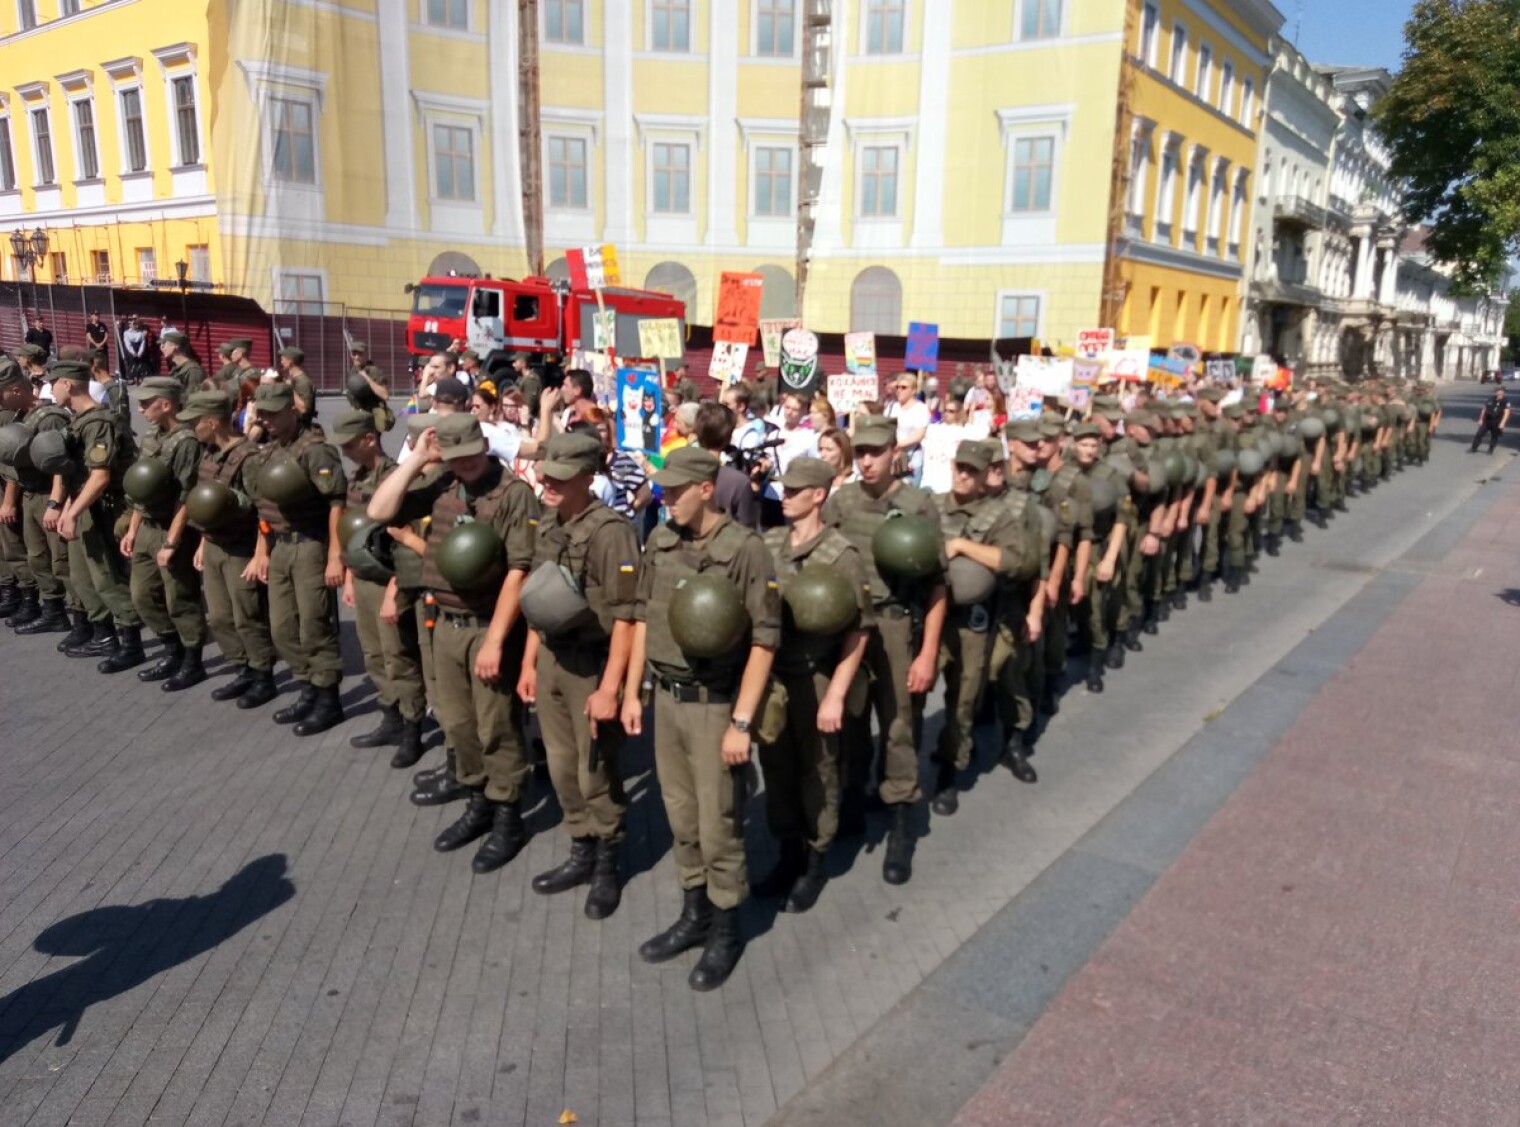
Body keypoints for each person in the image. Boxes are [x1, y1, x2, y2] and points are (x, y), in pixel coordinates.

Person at [622, 445, 779, 991]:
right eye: (662, 490)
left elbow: (764, 639)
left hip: (715, 706)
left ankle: (727, 928)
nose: (664, 499)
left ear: (706, 490)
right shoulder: (661, 540)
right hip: (666, 698)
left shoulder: (744, 550)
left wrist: (741, 722)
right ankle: (695, 914)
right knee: (681, 817)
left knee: (720, 826)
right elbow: (643, 616)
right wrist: (631, 690)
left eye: (675, 491)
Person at [368, 414, 541, 873]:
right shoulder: (442, 483)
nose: (464, 464)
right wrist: (417, 462)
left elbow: (519, 572)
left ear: (484, 446)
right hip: (444, 623)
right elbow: (380, 512)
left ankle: (508, 816)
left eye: (470, 454)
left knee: (496, 725)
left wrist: (496, 641)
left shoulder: (513, 494)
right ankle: (477, 801)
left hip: (487, 626)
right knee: (459, 724)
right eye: (454, 455)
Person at [518, 431, 641, 918]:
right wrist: (529, 662)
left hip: (592, 664)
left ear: (588, 478)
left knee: (595, 768)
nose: (547, 481)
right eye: (546, 472)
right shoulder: (548, 521)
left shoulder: (612, 532)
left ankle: (608, 861)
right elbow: (538, 601)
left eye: (560, 476)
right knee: (561, 765)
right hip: (551, 657)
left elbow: (629, 616)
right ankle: (580, 848)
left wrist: (610, 689)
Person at [822, 414, 947, 885]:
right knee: (850, 723)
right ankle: (852, 807)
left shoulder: (919, 505)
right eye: (862, 452)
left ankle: (900, 821)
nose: (867, 461)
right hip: (849, 626)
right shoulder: (842, 502)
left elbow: (937, 586)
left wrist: (928, 653)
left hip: (895, 626)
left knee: (898, 725)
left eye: (877, 452)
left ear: (896, 452)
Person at [755, 456, 871, 913]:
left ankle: (816, 861)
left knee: (818, 772)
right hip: (776, 676)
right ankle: (787, 853)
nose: (784, 496)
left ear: (818, 495)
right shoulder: (772, 543)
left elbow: (859, 629)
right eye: (783, 489)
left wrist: (837, 695)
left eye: (794, 490)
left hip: (817, 677)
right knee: (778, 767)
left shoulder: (841, 555)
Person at [931, 439, 1036, 815]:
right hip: (930, 615)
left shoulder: (998, 515)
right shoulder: (932, 506)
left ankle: (950, 771)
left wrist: (962, 545)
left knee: (964, 695)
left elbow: (1014, 559)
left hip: (973, 620)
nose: (962, 475)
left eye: (971, 471)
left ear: (984, 477)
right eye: (959, 467)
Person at [245, 381, 349, 735]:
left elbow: (337, 502)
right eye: (263, 415)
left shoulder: (315, 450)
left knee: (314, 625)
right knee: (283, 627)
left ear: (293, 410)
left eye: (274, 414)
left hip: (310, 544)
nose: (267, 421)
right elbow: (265, 505)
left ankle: (328, 699)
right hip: (280, 547)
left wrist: (336, 555)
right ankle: (307, 687)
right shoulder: (269, 450)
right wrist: (262, 550)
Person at [333, 409, 427, 766]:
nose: (344, 452)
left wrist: (394, 589)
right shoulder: (356, 478)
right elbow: (351, 534)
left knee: (398, 656)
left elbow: (404, 538)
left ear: (370, 439)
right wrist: (348, 577)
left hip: (390, 579)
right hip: (363, 577)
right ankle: (390, 717)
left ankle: (412, 728)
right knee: (373, 653)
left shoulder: (396, 478)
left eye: (350, 444)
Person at [179, 389, 279, 707]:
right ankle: (243, 668)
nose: (192, 427)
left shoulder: (249, 458)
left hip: (242, 548)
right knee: (221, 617)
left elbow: (266, 510)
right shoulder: (210, 454)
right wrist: (202, 543)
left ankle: (263, 675)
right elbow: (205, 505)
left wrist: (261, 553)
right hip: (216, 545)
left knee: (247, 614)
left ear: (211, 421)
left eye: (195, 421)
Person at [53, 359, 146, 671]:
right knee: (83, 577)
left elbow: (100, 477)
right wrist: (67, 507)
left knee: (106, 577)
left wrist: (72, 511)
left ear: (68, 383)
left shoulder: (97, 422)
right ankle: (104, 636)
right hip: (87, 506)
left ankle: (130, 643)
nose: (51, 389)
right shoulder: (79, 420)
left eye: (55, 382)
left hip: (106, 508)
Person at [117, 377, 209, 689]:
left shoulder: (186, 442)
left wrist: (173, 540)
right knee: (141, 595)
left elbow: (187, 496)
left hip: (172, 528)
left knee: (179, 598)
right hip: (146, 524)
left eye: (146, 403)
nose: (140, 408)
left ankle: (192, 661)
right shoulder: (152, 435)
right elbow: (141, 489)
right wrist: (132, 529)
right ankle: (172, 650)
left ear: (166, 404)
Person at [696, 402, 763, 530]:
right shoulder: (737, 481)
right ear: (729, 435)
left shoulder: (682, 469)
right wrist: (754, 487)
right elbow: (747, 527)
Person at [884, 375, 930, 485]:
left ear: (913, 390)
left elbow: (919, 434)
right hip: (892, 461)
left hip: (910, 461)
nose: (899, 390)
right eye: (898, 387)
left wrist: (899, 445)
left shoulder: (920, 409)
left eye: (904, 387)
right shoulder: (892, 407)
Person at [348, 341, 395, 432]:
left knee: (373, 443)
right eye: (354, 354)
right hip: (360, 415)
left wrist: (367, 378)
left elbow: (385, 395)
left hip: (372, 416)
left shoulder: (373, 371)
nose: (357, 357)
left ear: (365, 355)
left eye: (360, 354)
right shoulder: (352, 372)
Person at [278, 347, 319, 428]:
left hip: (300, 427)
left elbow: (304, 410)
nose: (281, 362)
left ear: (290, 361)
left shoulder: (303, 382)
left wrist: (290, 389)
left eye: (283, 359)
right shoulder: (292, 378)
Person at [160, 331, 206, 396]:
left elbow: (195, 401)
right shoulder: (177, 368)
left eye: (164, 344)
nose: (162, 347)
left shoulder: (193, 371)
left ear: (174, 347)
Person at [1472, 386, 1509, 454]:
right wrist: (1481, 419)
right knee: (1479, 433)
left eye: (1501, 392)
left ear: (1503, 393)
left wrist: (1502, 423)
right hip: (1487, 420)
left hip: (1497, 421)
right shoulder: (1491, 399)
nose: (1499, 393)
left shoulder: (1505, 401)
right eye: (1498, 391)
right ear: (1495, 392)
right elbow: (1484, 409)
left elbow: (1506, 413)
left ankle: (1491, 449)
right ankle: (1474, 447)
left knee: (1494, 436)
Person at [120, 317, 149, 384]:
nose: (135, 325)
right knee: (132, 364)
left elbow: (143, 343)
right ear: (130, 325)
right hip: (130, 350)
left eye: (135, 324)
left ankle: (139, 378)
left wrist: (140, 353)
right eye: (133, 324)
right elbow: (127, 344)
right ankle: (132, 378)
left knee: (139, 364)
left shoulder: (141, 333)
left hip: (138, 349)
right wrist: (133, 352)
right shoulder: (126, 333)